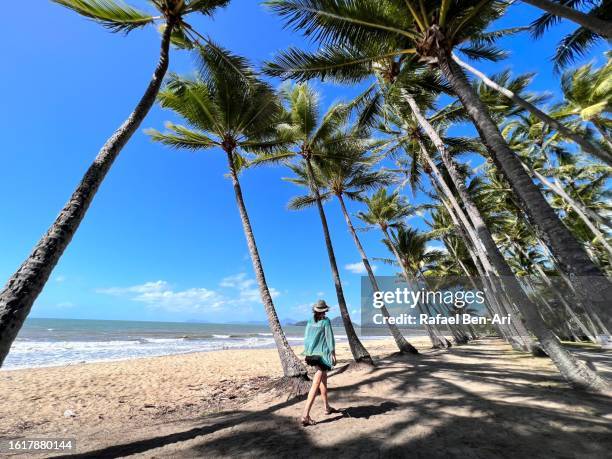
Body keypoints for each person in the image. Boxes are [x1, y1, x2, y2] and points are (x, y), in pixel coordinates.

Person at [301, 300, 339, 426]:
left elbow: (306, 338)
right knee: (315, 384)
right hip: (321, 356)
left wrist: (307, 352)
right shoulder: (326, 321)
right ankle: (305, 415)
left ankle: (326, 407)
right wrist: (333, 354)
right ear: (323, 311)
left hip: (311, 354)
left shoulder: (310, 321)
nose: (324, 313)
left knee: (324, 381)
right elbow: (330, 338)